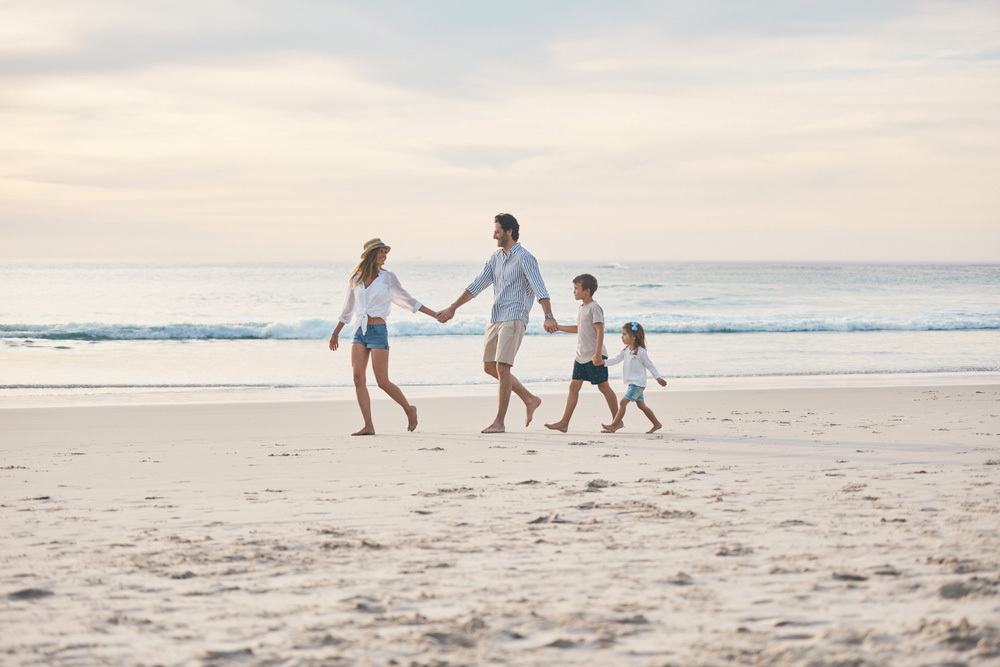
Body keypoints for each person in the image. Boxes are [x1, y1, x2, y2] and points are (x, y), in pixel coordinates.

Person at [436, 213, 559, 433]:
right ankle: (529, 399)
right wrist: (453, 308)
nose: (494, 235)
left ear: (509, 231)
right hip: (496, 316)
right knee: (489, 366)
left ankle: (500, 422)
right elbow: (477, 285)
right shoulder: (495, 257)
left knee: (503, 367)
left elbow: (541, 289)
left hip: (515, 316)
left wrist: (548, 316)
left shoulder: (525, 257)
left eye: (497, 231)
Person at [329, 238, 439, 435]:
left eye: (385, 252)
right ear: (371, 254)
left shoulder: (388, 278)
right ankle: (369, 425)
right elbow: (347, 309)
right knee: (357, 378)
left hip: (378, 331)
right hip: (359, 332)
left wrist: (435, 315)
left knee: (382, 381)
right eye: (381, 252)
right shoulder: (356, 279)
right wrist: (335, 333)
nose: (384, 255)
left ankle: (409, 409)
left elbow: (409, 300)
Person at [544, 273, 620, 432]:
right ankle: (564, 423)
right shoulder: (582, 308)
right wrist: (558, 327)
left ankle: (617, 421)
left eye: (576, 289)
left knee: (604, 387)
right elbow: (579, 329)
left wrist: (598, 354)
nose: (574, 291)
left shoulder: (594, 307)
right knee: (573, 387)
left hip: (594, 355)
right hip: (581, 356)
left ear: (587, 291)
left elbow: (600, 330)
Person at [601, 321, 668, 434]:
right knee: (642, 406)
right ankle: (657, 424)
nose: (621, 337)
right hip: (633, 383)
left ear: (633, 336)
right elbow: (617, 359)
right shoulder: (626, 350)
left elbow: (650, 365)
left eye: (624, 334)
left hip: (637, 383)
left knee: (623, 402)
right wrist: (603, 362)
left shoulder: (641, 352)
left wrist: (658, 378)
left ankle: (614, 425)